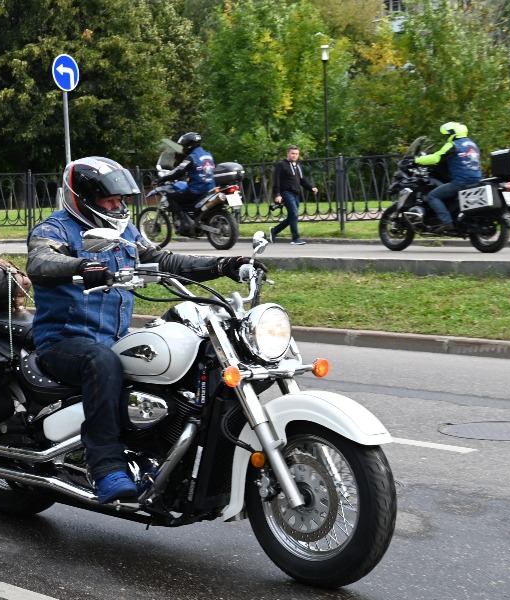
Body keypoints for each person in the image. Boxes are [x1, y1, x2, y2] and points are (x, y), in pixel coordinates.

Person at [27, 156, 263, 504]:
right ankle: (105, 466)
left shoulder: (125, 233)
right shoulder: (55, 229)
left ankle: (166, 451)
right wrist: (80, 265)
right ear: (83, 197)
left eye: (121, 199)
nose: (118, 205)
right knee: (101, 361)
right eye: (110, 199)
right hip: (63, 343)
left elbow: (163, 260)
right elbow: (41, 260)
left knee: (186, 348)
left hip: (113, 340)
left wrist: (224, 264)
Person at [413, 121, 482, 234]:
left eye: (447, 135)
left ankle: (447, 222)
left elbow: (436, 158)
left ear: (453, 134)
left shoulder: (453, 145)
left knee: (433, 196)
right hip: (477, 180)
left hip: (461, 182)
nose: (447, 137)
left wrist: (417, 160)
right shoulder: (472, 145)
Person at [155, 132, 216, 235]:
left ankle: (184, 223)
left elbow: (179, 170)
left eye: (184, 145)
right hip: (210, 189)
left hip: (197, 190)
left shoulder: (191, 157)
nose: (183, 147)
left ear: (189, 145)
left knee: (171, 197)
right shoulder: (208, 155)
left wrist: (163, 178)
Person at [270, 145, 318, 246]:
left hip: (295, 193)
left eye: (296, 154)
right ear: (288, 153)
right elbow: (277, 180)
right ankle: (295, 238)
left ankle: (274, 231)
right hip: (286, 193)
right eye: (292, 153)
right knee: (294, 215)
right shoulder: (281, 165)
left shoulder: (297, 166)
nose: (294, 156)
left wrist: (311, 188)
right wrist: (277, 194)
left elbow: (302, 180)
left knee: (292, 216)